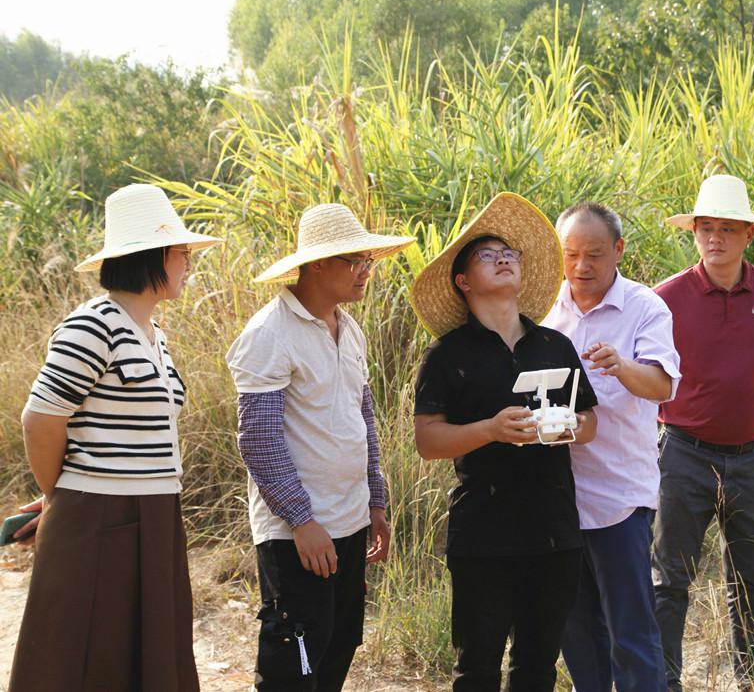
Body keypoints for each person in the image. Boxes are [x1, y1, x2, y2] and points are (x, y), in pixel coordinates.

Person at [9, 183, 222, 692]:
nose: (189, 262)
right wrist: (60, 495)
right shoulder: (92, 325)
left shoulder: (155, 335)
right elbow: (40, 419)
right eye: (183, 252)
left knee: (147, 655)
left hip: (154, 511)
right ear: (152, 257)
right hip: (99, 515)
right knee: (85, 658)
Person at [410, 192, 599, 692]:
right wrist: (490, 430)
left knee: (537, 667)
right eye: (487, 256)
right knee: (477, 670)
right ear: (463, 281)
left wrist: (568, 427)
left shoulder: (554, 345)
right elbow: (427, 440)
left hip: (554, 529)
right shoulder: (448, 355)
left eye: (509, 254)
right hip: (483, 532)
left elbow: (590, 420)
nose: (503, 259)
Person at [226, 203, 414, 692]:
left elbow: (363, 421)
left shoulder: (349, 329)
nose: (366, 272)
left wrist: (376, 502)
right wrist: (302, 522)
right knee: (295, 658)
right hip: (298, 531)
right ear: (316, 265)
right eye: (355, 261)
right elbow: (260, 442)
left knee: (339, 643)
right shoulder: (269, 334)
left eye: (369, 261)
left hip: (350, 517)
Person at [651, 175, 754, 690]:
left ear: (748, 236)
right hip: (682, 454)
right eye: (706, 228)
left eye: (728, 229)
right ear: (693, 232)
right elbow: (649, 378)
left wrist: (745, 414)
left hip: (753, 457)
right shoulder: (664, 299)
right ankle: (663, 682)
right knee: (668, 582)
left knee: (751, 582)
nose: (715, 238)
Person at [541, 202, 680, 692]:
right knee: (576, 632)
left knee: (632, 633)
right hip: (557, 499)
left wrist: (621, 365)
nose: (581, 267)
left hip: (621, 497)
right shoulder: (542, 310)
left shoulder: (645, 307)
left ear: (618, 250)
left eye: (595, 254)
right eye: (571, 254)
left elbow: (662, 385)